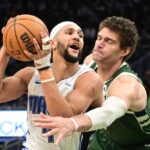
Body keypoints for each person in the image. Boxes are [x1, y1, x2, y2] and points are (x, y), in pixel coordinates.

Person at [33, 16, 150, 150]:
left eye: (109, 41)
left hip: (138, 144)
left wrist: (72, 123)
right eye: (99, 38)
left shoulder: (126, 83)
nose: (99, 44)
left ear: (124, 51)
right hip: (106, 137)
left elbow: (109, 112)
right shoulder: (90, 63)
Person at [0, 20, 103, 150]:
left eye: (80, 35)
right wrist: (5, 51)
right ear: (52, 43)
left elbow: (63, 118)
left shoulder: (89, 78)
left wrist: (43, 68)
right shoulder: (30, 75)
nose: (77, 37)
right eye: (69, 33)